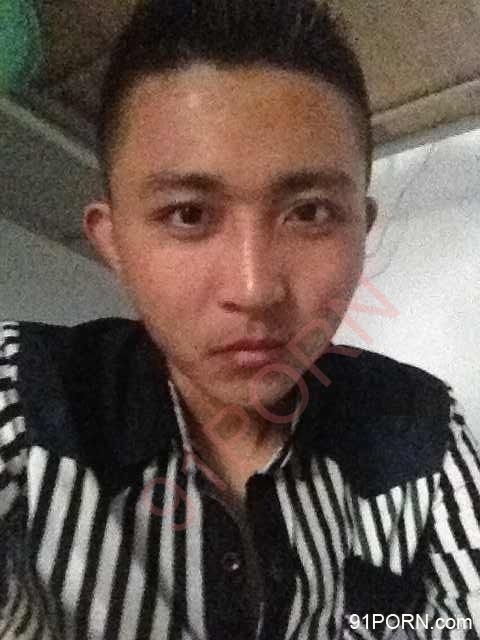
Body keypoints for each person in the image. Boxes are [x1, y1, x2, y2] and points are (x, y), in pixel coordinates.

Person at [1, 1, 479, 638]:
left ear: (361, 230)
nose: (255, 291)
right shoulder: (25, 404)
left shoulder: (421, 429)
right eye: (189, 214)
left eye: (310, 212)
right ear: (112, 242)